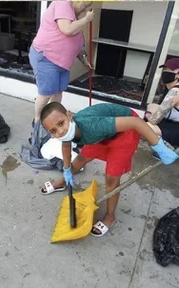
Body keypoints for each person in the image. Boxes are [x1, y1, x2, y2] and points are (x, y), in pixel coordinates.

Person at [40, 101, 178, 237]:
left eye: (60, 124)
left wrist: (158, 146)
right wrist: (66, 170)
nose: (60, 131)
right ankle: (63, 182)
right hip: (103, 134)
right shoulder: (67, 132)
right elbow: (66, 146)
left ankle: (110, 216)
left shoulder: (93, 126)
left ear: (69, 115)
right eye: (53, 131)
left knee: (112, 178)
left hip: (127, 131)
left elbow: (136, 123)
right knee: (80, 159)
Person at [29, 1, 94, 124]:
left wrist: (85, 61)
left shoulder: (74, 18)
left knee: (58, 91)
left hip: (63, 64)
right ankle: (37, 122)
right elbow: (67, 29)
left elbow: (78, 47)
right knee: (46, 93)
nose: (84, 9)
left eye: (87, 6)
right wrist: (86, 20)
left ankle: (53, 118)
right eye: (84, 5)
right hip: (47, 57)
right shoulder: (63, 3)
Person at [145, 58, 179, 148]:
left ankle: (166, 150)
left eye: (169, 70)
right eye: (165, 69)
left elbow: (155, 119)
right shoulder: (173, 89)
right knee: (152, 108)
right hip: (175, 124)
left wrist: (148, 115)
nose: (165, 72)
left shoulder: (175, 91)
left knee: (143, 126)